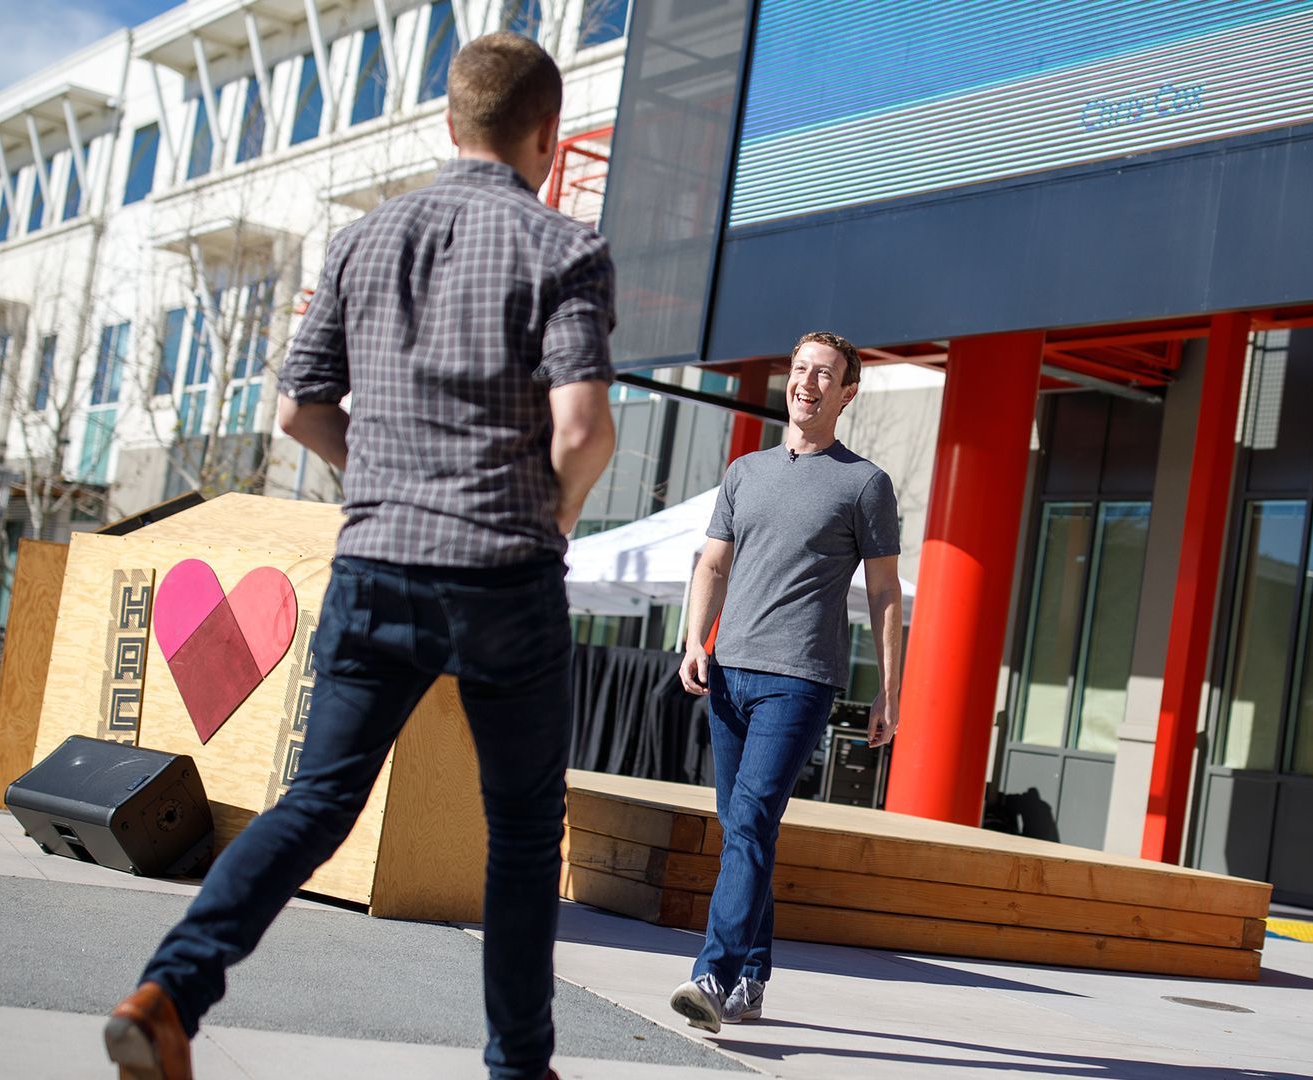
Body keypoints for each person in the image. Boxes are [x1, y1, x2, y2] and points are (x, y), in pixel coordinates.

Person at [102, 33, 616, 1080]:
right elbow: (584, 432)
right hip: (505, 571)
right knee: (521, 829)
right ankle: (520, 1067)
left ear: (447, 124)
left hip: (378, 559)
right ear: (548, 137)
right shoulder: (564, 249)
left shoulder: (365, 240)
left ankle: (170, 994)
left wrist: (382, 479)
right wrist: (545, 526)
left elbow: (297, 407)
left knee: (317, 799)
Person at [670, 331, 905, 1032]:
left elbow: (886, 592)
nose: (807, 382)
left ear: (846, 393)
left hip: (800, 679)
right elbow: (712, 564)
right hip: (730, 670)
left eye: (823, 374)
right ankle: (752, 978)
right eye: (800, 370)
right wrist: (694, 640)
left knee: (747, 823)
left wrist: (890, 691)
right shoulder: (745, 472)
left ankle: (712, 975)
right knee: (748, 828)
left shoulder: (865, 483)